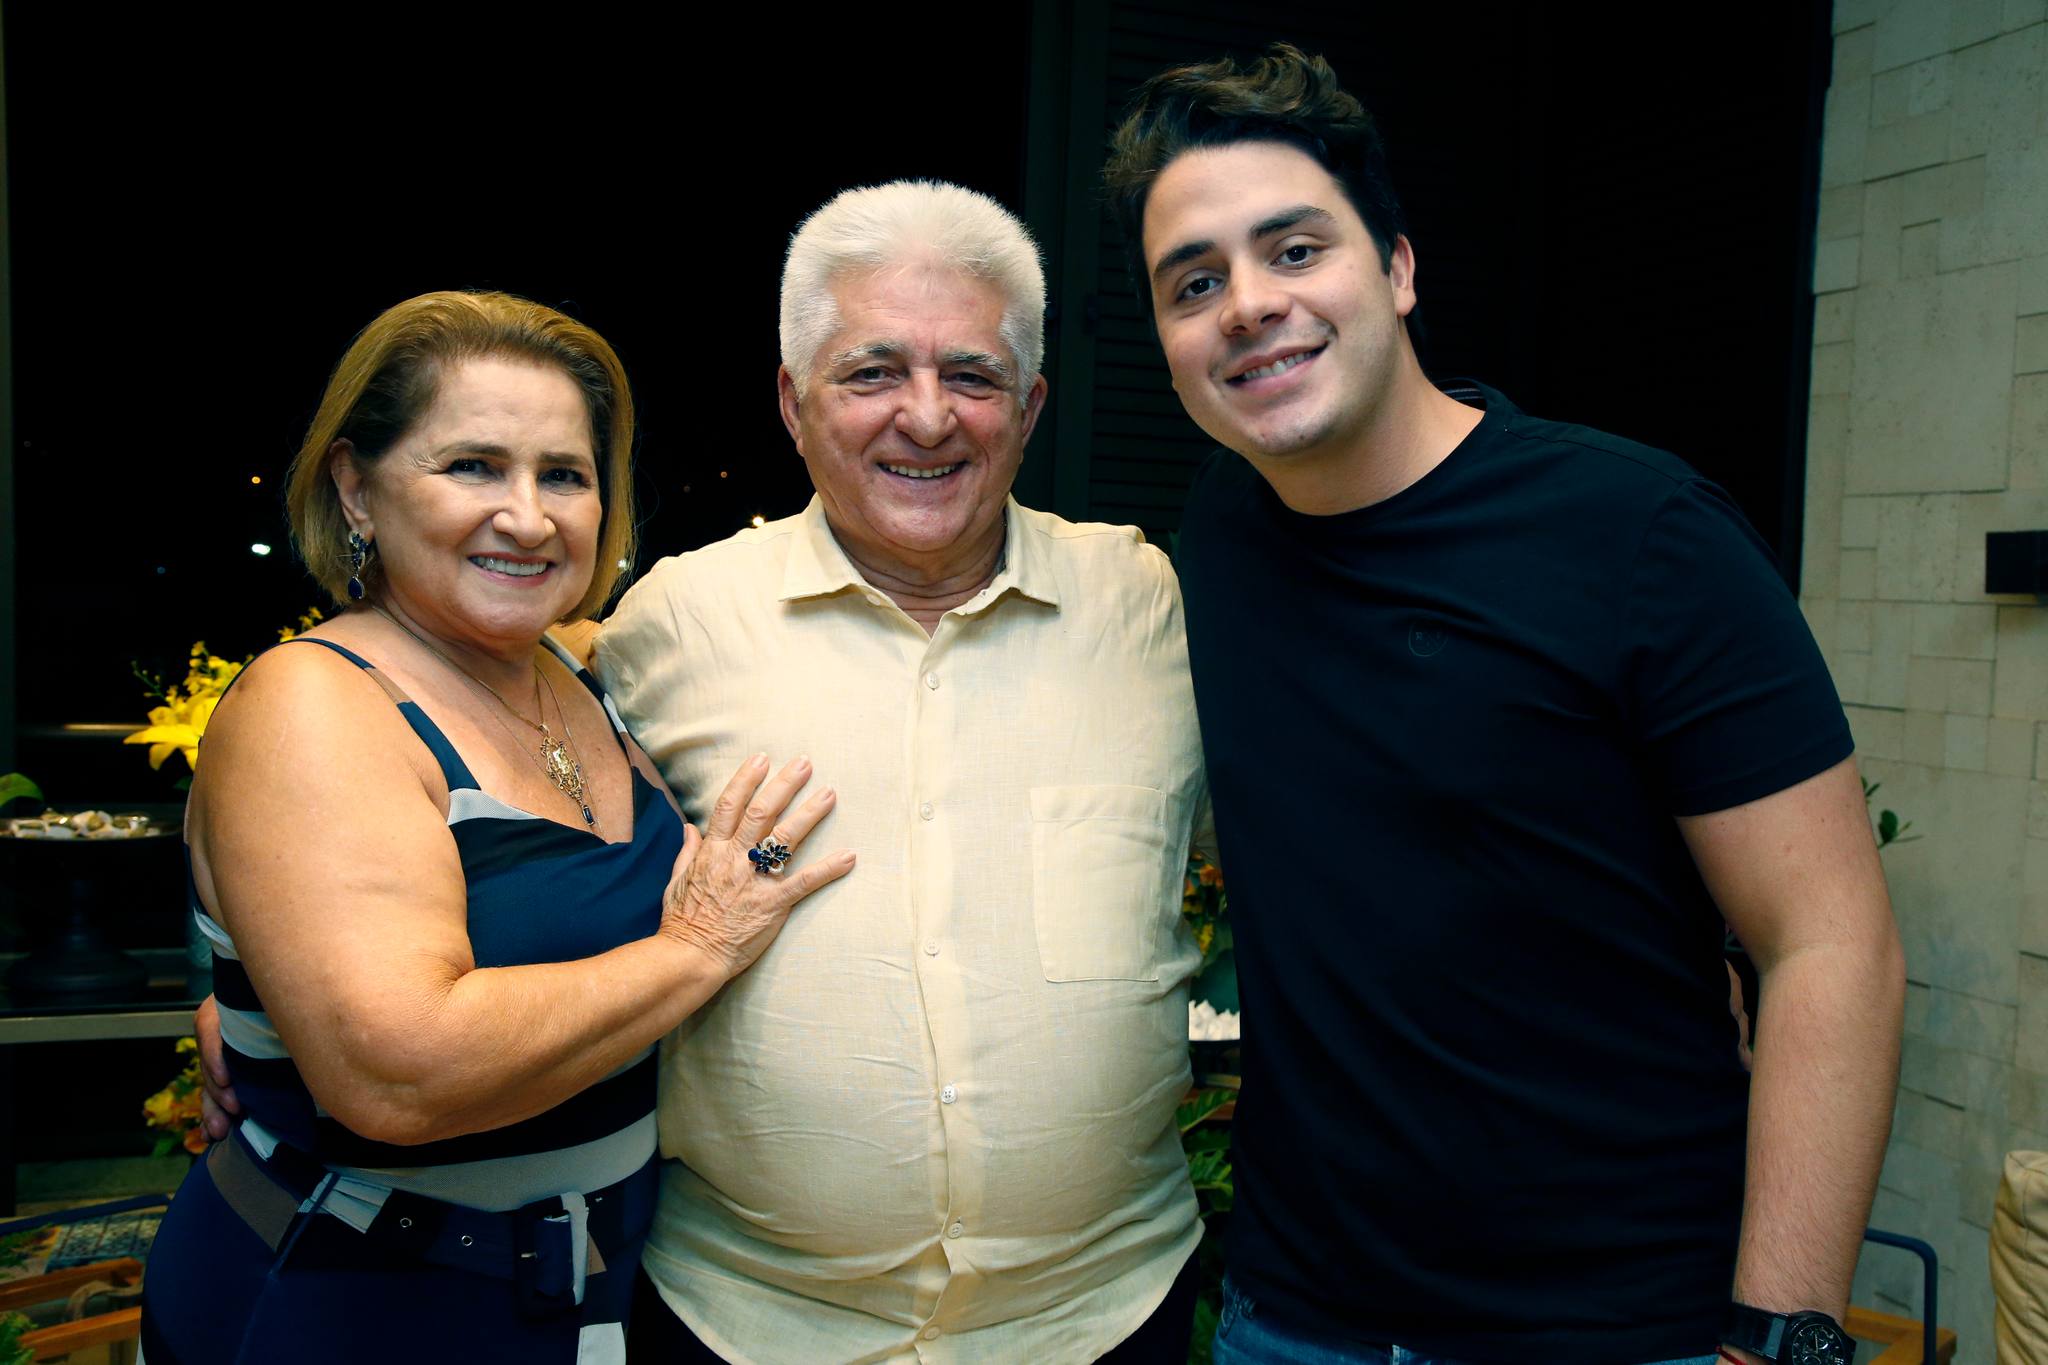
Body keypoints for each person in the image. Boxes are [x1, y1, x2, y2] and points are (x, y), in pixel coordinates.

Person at [1103, 46, 1905, 1365]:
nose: (1247, 305)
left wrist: (1780, 1332)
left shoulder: (1640, 534)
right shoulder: (1223, 534)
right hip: (1293, 1321)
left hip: (1617, 1325)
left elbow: (1829, 943)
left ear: (1397, 269)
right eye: (1194, 282)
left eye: (1295, 250)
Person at [142, 290, 852, 1365]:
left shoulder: (576, 667)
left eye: (563, 475)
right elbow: (397, 1074)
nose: (527, 517)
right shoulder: (313, 705)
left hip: (585, 1293)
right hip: (355, 1304)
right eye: (473, 466)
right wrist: (698, 948)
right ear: (355, 487)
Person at [597, 180, 1209, 1362]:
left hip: (1099, 1317)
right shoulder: (670, 626)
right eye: (871, 372)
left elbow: (1332, 836)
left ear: (1029, 406)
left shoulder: (1153, 612)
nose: (925, 418)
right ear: (793, 402)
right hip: (747, 1320)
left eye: (970, 376)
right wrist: (257, 979)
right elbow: (508, 811)